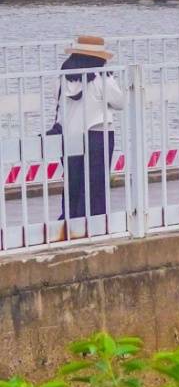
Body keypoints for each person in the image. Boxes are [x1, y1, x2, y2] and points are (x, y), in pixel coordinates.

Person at [47, 31, 119, 238]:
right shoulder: (101, 79)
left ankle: (70, 221)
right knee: (95, 181)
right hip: (98, 133)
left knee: (72, 180)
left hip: (69, 135)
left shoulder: (62, 79)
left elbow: (58, 100)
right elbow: (120, 102)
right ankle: (94, 223)